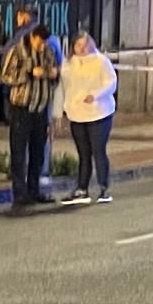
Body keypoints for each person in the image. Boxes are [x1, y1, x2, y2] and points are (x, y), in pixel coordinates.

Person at [1, 22, 60, 207]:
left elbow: (56, 76)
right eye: (39, 43)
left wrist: (52, 74)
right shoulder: (17, 51)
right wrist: (28, 73)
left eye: (44, 43)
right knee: (19, 151)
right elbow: (6, 76)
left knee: (38, 151)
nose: (42, 47)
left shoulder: (48, 52)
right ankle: (20, 192)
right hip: (22, 108)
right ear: (33, 37)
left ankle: (35, 190)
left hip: (41, 108)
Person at [59, 32, 116, 205]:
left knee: (98, 150)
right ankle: (81, 188)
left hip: (99, 113)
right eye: (78, 46)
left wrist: (96, 95)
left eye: (85, 45)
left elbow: (111, 82)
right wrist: (64, 109)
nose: (82, 49)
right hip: (77, 114)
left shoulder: (101, 61)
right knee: (83, 153)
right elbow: (64, 87)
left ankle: (103, 187)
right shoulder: (69, 64)